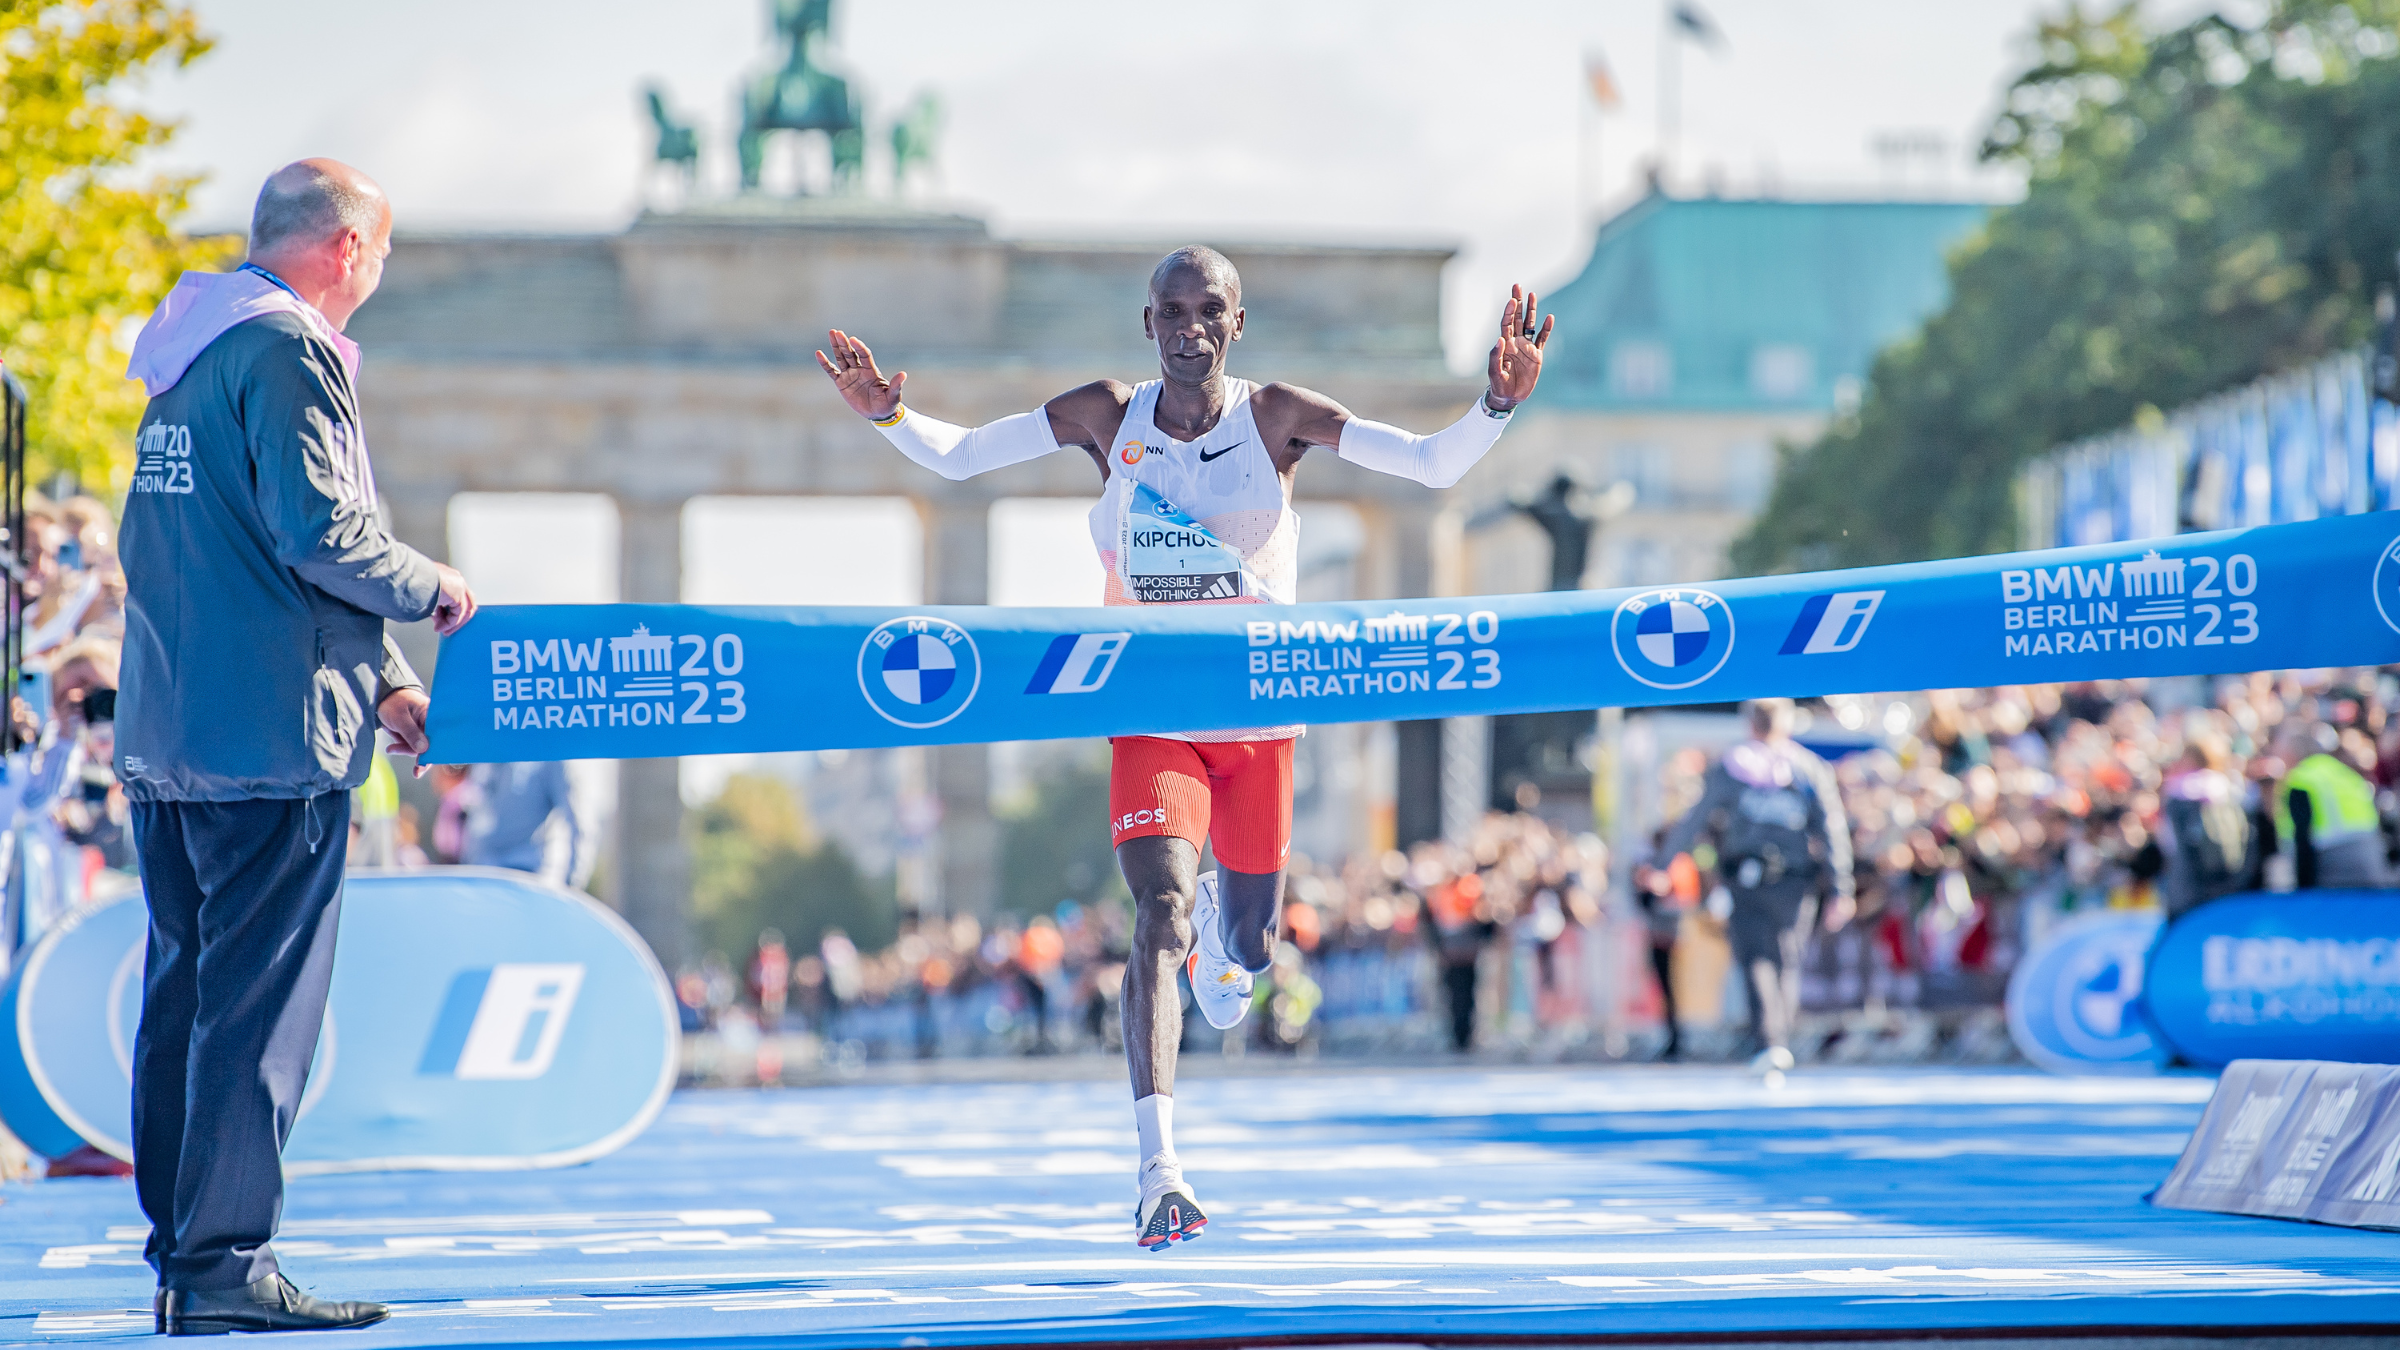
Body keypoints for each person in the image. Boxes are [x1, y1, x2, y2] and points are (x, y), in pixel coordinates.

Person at [818, 247, 1551, 1248]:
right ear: (1148, 322)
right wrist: (889, 415)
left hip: (1257, 721)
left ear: (1235, 324)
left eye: (1210, 311)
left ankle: (1230, 928)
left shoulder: (1275, 417)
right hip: (1150, 712)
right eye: (1172, 311)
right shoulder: (1102, 416)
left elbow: (1425, 465)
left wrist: (1495, 407)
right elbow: (961, 458)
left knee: (1245, 948)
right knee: (1157, 913)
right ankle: (1160, 1168)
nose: (1189, 329)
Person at [117, 159, 476, 1335]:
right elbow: (324, 534)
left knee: (186, 994)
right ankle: (227, 1263)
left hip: (174, 728)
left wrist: (382, 683)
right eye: (378, 252)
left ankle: (185, 1255)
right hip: (269, 736)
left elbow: (228, 553)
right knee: (258, 1012)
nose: (377, 274)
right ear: (346, 251)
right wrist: (434, 591)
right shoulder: (290, 351)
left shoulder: (187, 356)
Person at [1656, 699, 1852, 1076]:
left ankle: (1769, 1041)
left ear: (1750, 724)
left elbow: (1694, 819)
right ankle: (1778, 1039)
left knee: (1757, 960)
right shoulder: (1808, 768)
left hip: (1747, 877)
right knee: (1786, 960)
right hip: (1794, 881)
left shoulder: (1733, 767)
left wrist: (1664, 863)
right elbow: (1831, 831)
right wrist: (1841, 888)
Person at [2270, 723, 2390, 890]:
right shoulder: (2339, 770)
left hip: (2334, 863)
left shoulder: (2301, 779)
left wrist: (2303, 888)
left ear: (2291, 753)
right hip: (2371, 859)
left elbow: (2302, 838)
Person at [458, 760, 592, 888]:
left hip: (527, 880)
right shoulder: (485, 750)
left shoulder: (551, 757)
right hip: (480, 876)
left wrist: (571, 884)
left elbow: (577, 822)